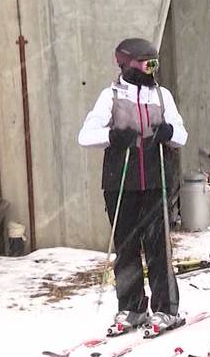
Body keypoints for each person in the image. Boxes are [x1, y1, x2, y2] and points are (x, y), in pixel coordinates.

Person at [79, 37, 188, 334]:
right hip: (120, 183)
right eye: (146, 64)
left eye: (155, 63)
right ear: (126, 64)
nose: (151, 70)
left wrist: (168, 131)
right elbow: (86, 135)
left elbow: (182, 134)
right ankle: (132, 307)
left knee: (158, 248)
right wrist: (113, 136)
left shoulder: (162, 96)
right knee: (126, 248)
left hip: (155, 181)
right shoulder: (111, 96)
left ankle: (167, 309)